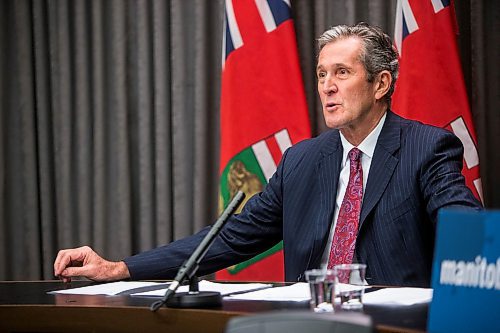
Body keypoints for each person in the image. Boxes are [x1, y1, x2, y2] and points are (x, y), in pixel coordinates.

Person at [54, 23, 481, 287]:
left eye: (342, 73)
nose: (327, 86)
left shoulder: (427, 148)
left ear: (381, 84)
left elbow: (469, 233)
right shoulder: (302, 160)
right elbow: (231, 236)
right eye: (321, 74)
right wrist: (120, 268)